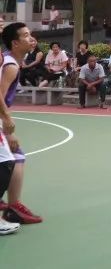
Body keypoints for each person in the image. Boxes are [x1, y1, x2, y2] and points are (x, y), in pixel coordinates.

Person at [0, 22, 42, 225]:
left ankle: (12, 206)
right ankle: (13, 207)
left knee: (15, 156)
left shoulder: (10, 60)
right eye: (25, 35)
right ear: (15, 43)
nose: (31, 38)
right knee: (11, 158)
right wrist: (7, 124)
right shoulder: (11, 66)